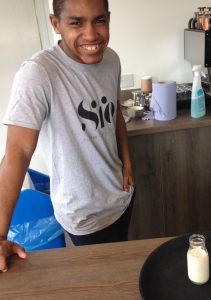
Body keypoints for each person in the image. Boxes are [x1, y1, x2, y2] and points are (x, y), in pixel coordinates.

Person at [0, 0, 135, 272]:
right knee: (101, 281)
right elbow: (18, 152)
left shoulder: (112, 59)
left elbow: (115, 112)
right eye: (76, 22)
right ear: (55, 24)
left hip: (121, 197)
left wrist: (127, 162)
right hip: (83, 212)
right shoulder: (39, 73)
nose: (91, 34)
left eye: (99, 20)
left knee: (123, 272)